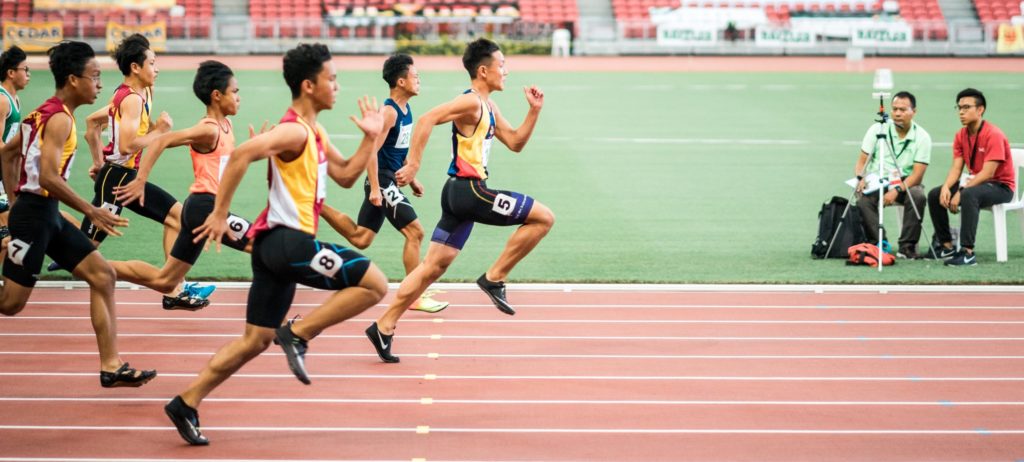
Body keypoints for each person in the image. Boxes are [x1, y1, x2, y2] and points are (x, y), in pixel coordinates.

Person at [163, 43, 387, 446]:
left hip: (272, 249)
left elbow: (348, 176)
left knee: (256, 340)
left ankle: (186, 401)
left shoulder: (314, 130)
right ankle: (299, 334)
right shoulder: (294, 130)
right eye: (331, 79)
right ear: (308, 85)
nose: (337, 86)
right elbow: (243, 154)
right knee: (375, 285)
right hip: (288, 243)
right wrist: (219, 212)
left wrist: (372, 138)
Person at [364, 38, 555, 363]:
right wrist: (413, 164)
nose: (506, 71)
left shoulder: (489, 106)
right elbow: (426, 119)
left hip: (458, 196)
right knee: (544, 218)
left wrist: (533, 112)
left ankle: (383, 326)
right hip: (470, 192)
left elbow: (516, 142)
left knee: (430, 268)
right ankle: (494, 278)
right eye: (502, 65)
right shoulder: (469, 103)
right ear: (483, 70)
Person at [0, 40, 156, 388]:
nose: (99, 84)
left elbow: (7, 153)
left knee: (102, 276)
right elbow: (50, 178)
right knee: (10, 304)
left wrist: (13, 201)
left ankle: (111, 365)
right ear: (73, 80)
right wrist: (91, 210)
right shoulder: (56, 119)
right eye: (95, 77)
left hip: (44, 213)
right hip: (35, 216)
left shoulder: (44, 112)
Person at [74, 34, 207, 308]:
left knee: (178, 218)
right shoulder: (131, 99)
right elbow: (127, 144)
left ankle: (174, 288)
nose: (156, 69)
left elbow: (93, 122)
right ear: (135, 67)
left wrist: (98, 160)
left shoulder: (142, 93)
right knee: (85, 250)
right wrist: (159, 131)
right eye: (152, 63)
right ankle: (45, 234)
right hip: (117, 181)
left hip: (122, 176)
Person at [107, 61, 255, 305]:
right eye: (235, 92)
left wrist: (251, 149)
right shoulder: (208, 129)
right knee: (264, 246)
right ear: (217, 96)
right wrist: (140, 180)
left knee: (165, 281)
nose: (239, 98)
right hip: (205, 208)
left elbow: (224, 167)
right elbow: (160, 141)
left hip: (198, 208)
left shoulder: (225, 125)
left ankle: (91, 263)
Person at [320, 53, 449, 313]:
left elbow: (395, 151)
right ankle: (413, 295)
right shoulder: (389, 112)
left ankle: (316, 205)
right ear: (401, 82)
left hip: (391, 179)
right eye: (415, 76)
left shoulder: (405, 109)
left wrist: (412, 179)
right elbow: (371, 151)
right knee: (415, 232)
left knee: (362, 237)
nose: (419, 80)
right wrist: (377, 188)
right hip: (382, 181)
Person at [927, 88, 1016, 266]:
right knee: (935, 194)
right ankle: (946, 246)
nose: (961, 112)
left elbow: (988, 173)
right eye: (959, 107)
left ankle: (967, 252)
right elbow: (957, 167)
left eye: (966, 107)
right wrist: (946, 187)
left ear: (980, 109)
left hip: (1000, 187)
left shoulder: (994, 134)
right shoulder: (961, 135)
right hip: (975, 183)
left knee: (968, 194)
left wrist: (961, 190)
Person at [853, 91, 932, 259]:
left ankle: (907, 246)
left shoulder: (922, 137)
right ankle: (878, 243)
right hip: (877, 180)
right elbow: (861, 162)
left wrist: (896, 189)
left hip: (906, 182)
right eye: (894, 109)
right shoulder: (877, 129)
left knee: (917, 195)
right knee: (862, 198)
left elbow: (917, 176)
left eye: (903, 110)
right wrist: (860, 178)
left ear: (914, 112)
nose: (897, 113)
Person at [0, 46, 30, 240]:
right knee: (7, 226)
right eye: (24, 70)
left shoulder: (14, 98)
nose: (28, 75)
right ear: (11, 73)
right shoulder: (2, 100)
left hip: (5, 166)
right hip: (1, 166)